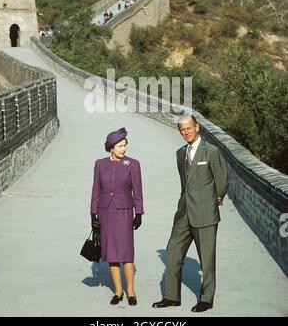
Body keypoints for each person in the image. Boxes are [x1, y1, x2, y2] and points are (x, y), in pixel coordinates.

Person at [152, 115, 228, 313]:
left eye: (189, 128)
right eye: (182, 130)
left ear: (197, 127)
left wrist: (214, 201)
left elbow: (222, 181)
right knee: (173, 252)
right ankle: (171, 296)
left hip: (205, 213)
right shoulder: (180, 153)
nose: (186, 132)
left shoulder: (211, 152)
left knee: (207, 259)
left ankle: (206, 298)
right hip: (184, 212)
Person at [90, 128, 144, 306]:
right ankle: (118, 291)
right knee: (111, 253)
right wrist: (93, 213)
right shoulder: (100, 164)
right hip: (105, 212)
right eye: (120, 146)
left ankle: (131, 291)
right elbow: (96, 190)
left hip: (124, 212)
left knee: (127, 253)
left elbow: (138, 190)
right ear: (111, 147)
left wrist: (139, 213)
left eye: (125, 145)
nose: (124, 149)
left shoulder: (133, 164)